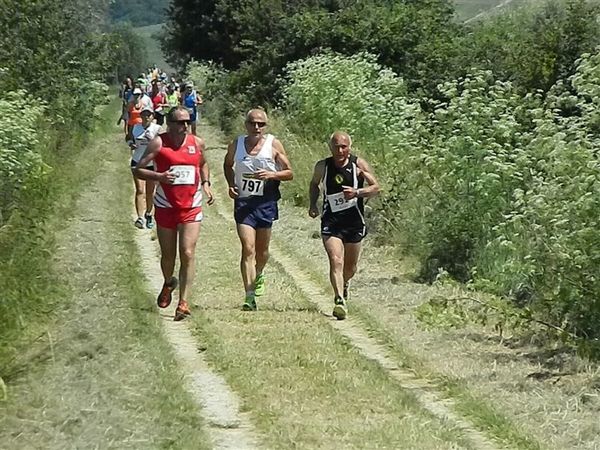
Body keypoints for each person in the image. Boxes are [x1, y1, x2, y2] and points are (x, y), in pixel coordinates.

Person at [134, 107, 214, 321]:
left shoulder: (197, 143)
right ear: (169, 124)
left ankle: (183, 303)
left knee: (187, 252)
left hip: (191, 206)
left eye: (187, 121)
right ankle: (168, 282)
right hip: (166, 205)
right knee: (168, 255)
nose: (184, 126)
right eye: (179, 122)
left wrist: (206, 183)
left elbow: (203, 163)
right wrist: (160, 176)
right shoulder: (159, 143)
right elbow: (138, 169)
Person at [223, 109, 293, 311]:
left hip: (266, 202)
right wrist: (230, 184)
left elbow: (289, 173)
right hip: (244, 203)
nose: (256, 128)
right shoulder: (236, 144)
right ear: (246, 124)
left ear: (265, 126)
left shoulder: (273, 144)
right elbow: (228, 165)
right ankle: (249, 296)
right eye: (253, 123)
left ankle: (259, 272)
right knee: (248, 248)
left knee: (262, 252)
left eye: (261, 124)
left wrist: (271, 175)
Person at [308, 131, 380, 320]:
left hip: (354, 221)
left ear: (349, 147)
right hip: (331, 221)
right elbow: (314, 184)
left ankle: (345, 283)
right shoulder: (323, 166)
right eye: (336, 147)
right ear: (330, 147)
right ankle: (339, 300)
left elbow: (376, 188)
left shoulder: (358, 164)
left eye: (344, 147)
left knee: (350, 267)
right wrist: (313, 204)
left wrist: (357, 192)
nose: (340, 151)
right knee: (335, 259)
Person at [130, 107, 161, 229]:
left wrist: (152, 140)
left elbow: (162, 144)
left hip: (152, 163)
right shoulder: (136, 127)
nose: (146, 117)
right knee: (139, 190)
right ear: (140, 116)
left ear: (153, 116)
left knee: (150, 192)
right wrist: (131, 144)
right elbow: (129, 138)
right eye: (144, 115)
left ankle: (149, 214)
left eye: (149, 115)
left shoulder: (157, 128)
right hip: (137, 162)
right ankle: (140, 217)